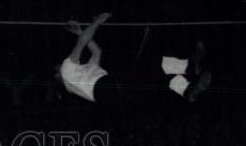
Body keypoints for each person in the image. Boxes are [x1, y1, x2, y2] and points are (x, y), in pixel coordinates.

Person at [60, 13, 212, 104]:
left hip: (111, 94)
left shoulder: (80, 77)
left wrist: (80, 31)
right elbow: (81, 43)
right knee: (150, 66)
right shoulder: (66, 69)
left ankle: (188, 83)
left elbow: (97, 52)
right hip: (107, 89)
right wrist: (97, 21)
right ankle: (189, 71)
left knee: (154, 71)